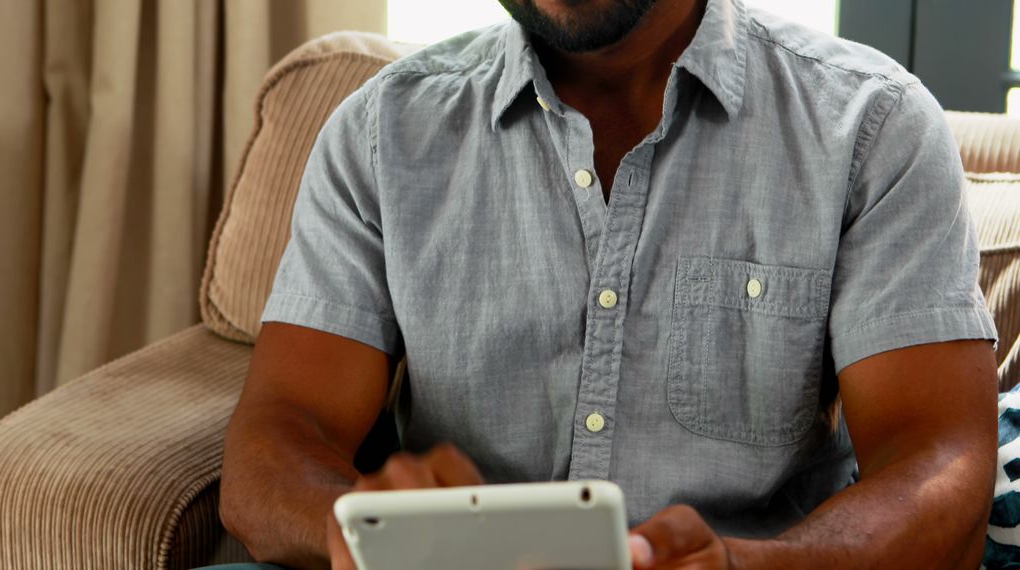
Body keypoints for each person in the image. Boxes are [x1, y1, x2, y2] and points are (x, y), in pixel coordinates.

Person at [216, 0, 1001, 568]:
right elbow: (277, 442)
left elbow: (937, 469)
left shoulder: (874, 127)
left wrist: (744, 565)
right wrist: (361, 526)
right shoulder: (382, 134)